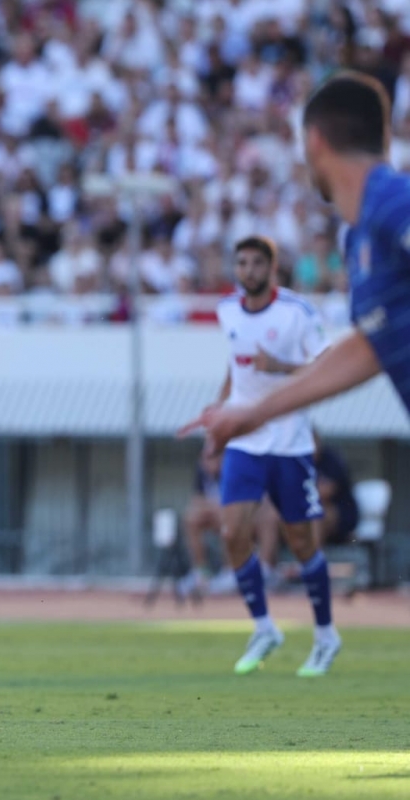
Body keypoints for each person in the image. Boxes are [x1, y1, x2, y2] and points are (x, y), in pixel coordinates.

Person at [188, 73, 410, 454]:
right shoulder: (359, 237)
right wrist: (254, 413)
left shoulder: (392, 200)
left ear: (314, 141)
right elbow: (367, 348)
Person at [196, 236, 337, 676]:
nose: (248, 270)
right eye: (241, 262)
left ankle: (326, 635)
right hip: (244, 438)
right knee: (232, 531)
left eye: (257, 263)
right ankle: (264, 627)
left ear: (272, 269)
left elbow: (327, 366)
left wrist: (280, 367)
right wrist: (218, 418)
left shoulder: (297, 313)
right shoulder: (227, 311)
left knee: (301, 543)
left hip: (289, 441)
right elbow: (235, 368)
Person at [179, 450, 279, 599]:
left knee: (229, 516)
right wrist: (214, 507)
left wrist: (221, 508)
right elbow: (197, 500)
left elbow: (251, 502)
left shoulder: (237, 467)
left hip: (250, 519)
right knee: (191, 517)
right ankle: (201, 572)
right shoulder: (203, 471)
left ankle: (240, 570)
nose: (209, 463)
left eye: (214, 458)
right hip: (217, 514)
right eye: (206, 459)